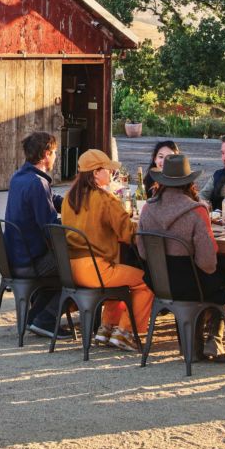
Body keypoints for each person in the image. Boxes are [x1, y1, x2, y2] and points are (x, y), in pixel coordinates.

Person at [139, 153, 225, 362]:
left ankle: (193, 347)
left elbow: (143, 252)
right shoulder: (196, 211)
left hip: (159, 284)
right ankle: (213, 340)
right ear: (189, 182)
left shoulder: (147, 208)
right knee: (222, 276)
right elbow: (208, 263)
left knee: (195, 277)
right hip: (191, 286)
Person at [60, 149, 154, 350]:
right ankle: (127, 332)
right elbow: (128, 234)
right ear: (95, 172)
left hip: (71, 270)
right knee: (145, 282)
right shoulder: (105, 199)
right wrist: (144, 224)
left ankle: (107, 328)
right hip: (96, 270)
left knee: (120, 273)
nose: (111, 174)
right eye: (108, 170)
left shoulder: (69, 198)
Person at [4, 131, 66, 336]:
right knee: (75, 266)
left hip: (13, 258)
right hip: (29, 263)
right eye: (55, 152)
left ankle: (34, 317)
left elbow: (49, 198)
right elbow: (50, 228)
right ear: (46, 154)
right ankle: (47, 319)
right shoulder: (37, 183)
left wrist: (70, 203)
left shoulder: (20, 177)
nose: (56, 157)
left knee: (64, 264)